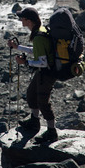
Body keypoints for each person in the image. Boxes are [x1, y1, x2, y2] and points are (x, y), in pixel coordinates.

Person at [8, 7, 58, 143]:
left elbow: (42, 62)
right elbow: (36, 51)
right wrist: (17, 47)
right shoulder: (40, 32)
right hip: (44, 71)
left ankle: (52, 132)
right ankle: (34, 122)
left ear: (28, 21)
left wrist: (25, 62)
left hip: (47, 72)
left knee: (43, 101)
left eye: (22, 18)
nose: (20, 20)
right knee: (31, 94)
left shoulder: (39, 37)